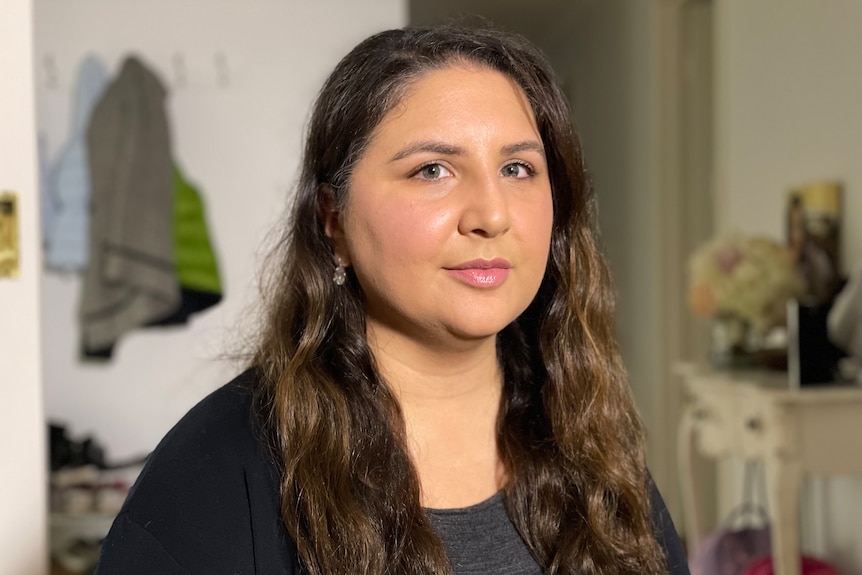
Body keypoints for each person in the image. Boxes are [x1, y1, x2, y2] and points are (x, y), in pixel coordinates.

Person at [95, 24, 690, 575]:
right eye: (433, 170)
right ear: (334, 222)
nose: (491, 214)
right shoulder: (215, 476)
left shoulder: (591, 441)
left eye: (517, 168)